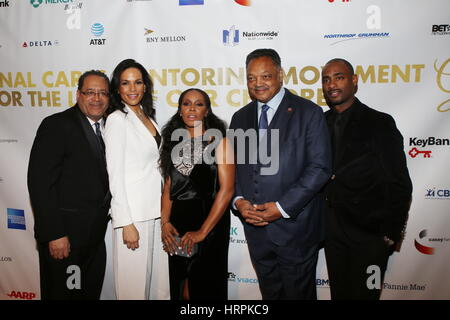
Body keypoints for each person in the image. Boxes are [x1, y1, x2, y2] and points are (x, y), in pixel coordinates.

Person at [229, 48, 332, 300]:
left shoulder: (308, 112)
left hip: (295, 229)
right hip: (256, 233)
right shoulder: (240, 117)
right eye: (251, 78)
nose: (258, 83)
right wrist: (239, 201)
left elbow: (320, 168)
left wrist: (282, 207)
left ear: (280, 75)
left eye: (265, 76)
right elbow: (234, 169)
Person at [321, 58, 413, 300]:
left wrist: (390, 233)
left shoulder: (380, 123)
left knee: (366, 297)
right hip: (332, 235)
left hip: (370, 237)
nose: (332, 84)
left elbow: (400, 182)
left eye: (339, 77)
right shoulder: (320, 122)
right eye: (327, 79)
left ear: (354, 81)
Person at [27, 70, 111, 300]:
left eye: (103, 92)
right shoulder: (57, 125)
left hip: (94, 240)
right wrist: (54, 233)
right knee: (64, 295)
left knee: (87, 294)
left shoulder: (108, 128)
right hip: (65, 240)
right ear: (78, 95)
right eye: (90, 92)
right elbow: (40, 183)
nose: (97, 98)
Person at [159, 88, 234, 300]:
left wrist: (202, 232)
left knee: (203, 289)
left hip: (210, 225)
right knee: (180, 287)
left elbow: (227, 191)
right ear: (180, 110)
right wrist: (165, 222)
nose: (192, 108)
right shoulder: (173, 143)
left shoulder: (220, 143)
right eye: (186, 103)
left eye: (199, 104)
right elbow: (168, 187)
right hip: (178, 225)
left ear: (207, 111)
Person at [104, 59, 162, 300]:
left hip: (157, 213)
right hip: (134, 216)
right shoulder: (118, 119)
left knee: (158, 287)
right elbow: (114, 174)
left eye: (137, 82)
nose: (132, 88)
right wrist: (125, 222)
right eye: (125, 83)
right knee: (133, 290)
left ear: (145, 86)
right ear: (117, 88)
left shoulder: (148, 116)